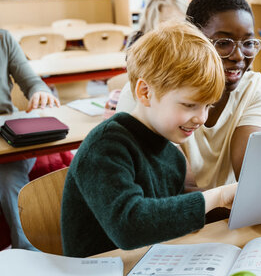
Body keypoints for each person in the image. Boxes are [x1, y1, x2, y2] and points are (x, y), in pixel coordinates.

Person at [117, 0, 261, 231]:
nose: (239, 56)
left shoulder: (256, 90)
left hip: (225, 226)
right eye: (223, 42)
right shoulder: (152, 96)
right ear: (193, 38)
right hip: (167, 229)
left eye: (248, 43)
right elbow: (177, 192)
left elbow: (252, 175)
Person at [61, 21, 237, 258]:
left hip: (148, 262)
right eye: (189, 105)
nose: (201, 118)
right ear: (145, 93)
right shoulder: (104, 146)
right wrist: (216, 196)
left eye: (207, 106)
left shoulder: (172, 156)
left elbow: (165, 221)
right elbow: (129, 226)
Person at [0, 29, 60, 250]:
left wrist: (39, 92)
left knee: (7, 179)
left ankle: (27, 256)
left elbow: (33, 82)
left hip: (7, 139)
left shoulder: (3, 39)